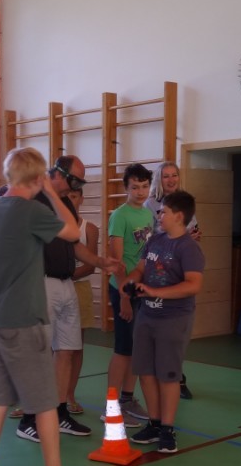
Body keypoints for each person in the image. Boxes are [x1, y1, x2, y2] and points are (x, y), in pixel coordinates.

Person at [0, 146, 90, 466]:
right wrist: (51, 192)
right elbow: (72, 232)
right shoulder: (31, 211)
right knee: (45, 403)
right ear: (38, 177)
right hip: (22, 320)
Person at [14, 155, 119, 443]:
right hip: (41, 282)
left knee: (67, 349)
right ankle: (29, 418)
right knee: (39, 353)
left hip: (66, 283)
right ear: (57, 174)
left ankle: (59, 412)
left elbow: (75, 246)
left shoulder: (65, 205)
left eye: (80, 183)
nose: (76, 187)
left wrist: (100, 262)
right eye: (75, 181)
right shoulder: (34, 200)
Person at [123, 190, 205, 453]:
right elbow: (141, 268)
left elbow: (193, 285)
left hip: (173, 318)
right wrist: (132, 280)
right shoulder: (155, 241)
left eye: (164, 212)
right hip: (147, 315)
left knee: (168, 375)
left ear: (178, 216)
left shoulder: (189, 248)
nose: (159, 215)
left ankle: (168, 429)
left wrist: (155, 291)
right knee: (146, 372)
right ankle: (155, 423)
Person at [145, 161, 200, 399]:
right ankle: (163, 376)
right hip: (159, 269)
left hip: (179, 266)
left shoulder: (185, 203)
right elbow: (152, 235)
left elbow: (193, 232)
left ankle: (176, 375)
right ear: (159, 179)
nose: (171, 179)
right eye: (166, 176)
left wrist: (190, 237)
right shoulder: (151, 205)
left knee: (177, 330)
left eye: (174, 175)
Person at [106, 163, 155, 422]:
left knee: (136, 349)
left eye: (144, 186)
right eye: (135, 187)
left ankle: (127, 399)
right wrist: (125, 297)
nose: (140, 192)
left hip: (140, 291)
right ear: (126, 188)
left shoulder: (148, 215)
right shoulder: (120, 216)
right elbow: (116, 262)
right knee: (123, 349)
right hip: (122, 290)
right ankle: (111, 407)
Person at [65, 185, 101, 418]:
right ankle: (42, 398)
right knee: (51, 346)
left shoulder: (89, 228)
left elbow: (90, 265)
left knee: (76, 345)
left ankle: (69, 394)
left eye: (74, 196)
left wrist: (65, 275)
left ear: (81, 199)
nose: (70, 200)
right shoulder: (53, 225)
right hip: (54, 288)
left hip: (79, 288)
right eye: (66, 196)